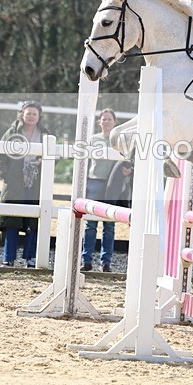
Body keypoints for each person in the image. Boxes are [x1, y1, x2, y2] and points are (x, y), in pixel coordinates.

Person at [0, 101, 50, 267]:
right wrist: (7, 176)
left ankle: (30, 258)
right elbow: (0, 156)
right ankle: (8, 257)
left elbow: (55, 157)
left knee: (33, 222)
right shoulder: (12, 132)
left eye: (34, 114)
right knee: (12, 221)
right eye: (28, 113)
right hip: (15, 184)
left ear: (39, 116)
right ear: (22, 114)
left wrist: (43, 162)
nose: (31, 116)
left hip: (36, 183)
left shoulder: (45, 134)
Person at [81, 108, 125, 273]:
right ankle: (87, 260)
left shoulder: (119, 140)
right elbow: (85, 162)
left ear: (115, 122)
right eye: (103, 119)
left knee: (109, 225)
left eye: (109, 119)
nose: (106, 121)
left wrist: (125, 171)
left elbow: (126, 161)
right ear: (99, 122)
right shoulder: (93, 139)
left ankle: (106, 263)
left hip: (112, 185)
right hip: (95, 182)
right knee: (90, 224)